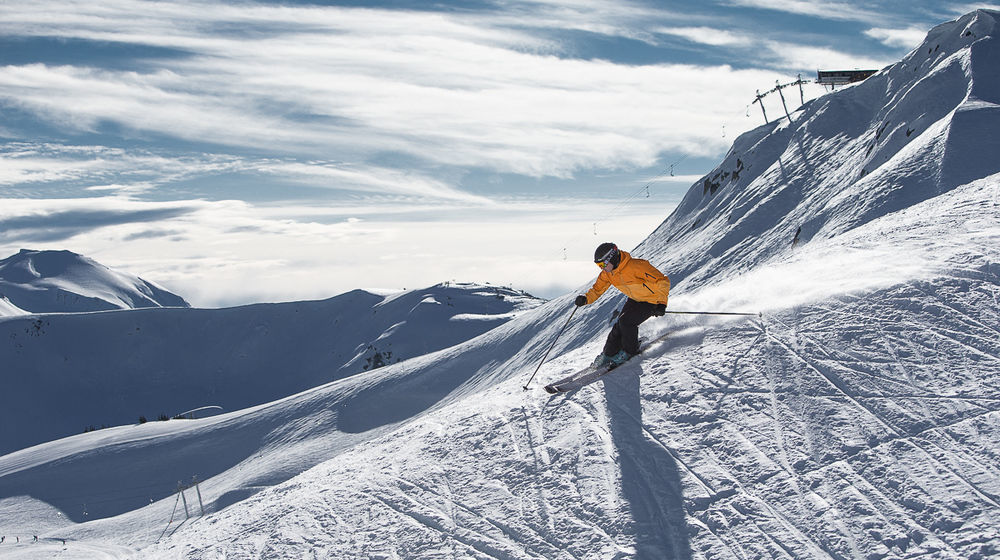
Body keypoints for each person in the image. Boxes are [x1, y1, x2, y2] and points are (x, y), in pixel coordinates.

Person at [575, 242, 670, 368]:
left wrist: (662, 303)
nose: (602, 268)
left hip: (651, 301)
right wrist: (585, 299)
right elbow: (597, 290)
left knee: (627, 322)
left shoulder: (636, 266)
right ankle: (608, 353)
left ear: (612, 257)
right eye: (599, 265)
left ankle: (629, 351)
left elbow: (662, 281)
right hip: (635, 299)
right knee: (619, 324)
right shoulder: (609, 273)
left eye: (603, 264)